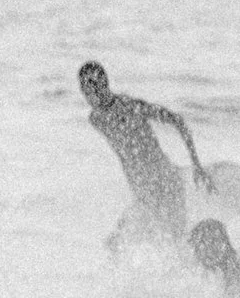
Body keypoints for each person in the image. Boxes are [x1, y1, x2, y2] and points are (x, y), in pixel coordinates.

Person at [79, 61, 213, 254]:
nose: (89, 94)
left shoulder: (130, 106)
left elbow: (177, 121)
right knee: (116, 244)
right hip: (143, 190)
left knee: (176, 243)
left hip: (165, 182)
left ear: (103, 84)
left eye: (93, 86)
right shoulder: (96, 119)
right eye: (84, 89)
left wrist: (197, 166)